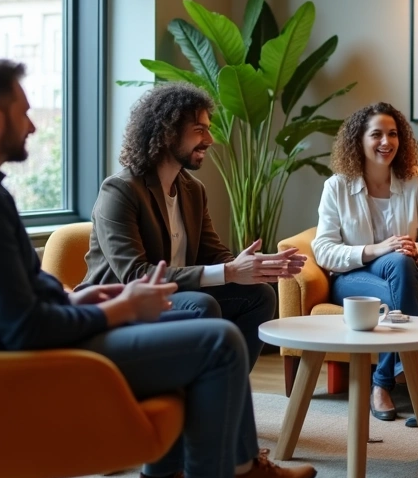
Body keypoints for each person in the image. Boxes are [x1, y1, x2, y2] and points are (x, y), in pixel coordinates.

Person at [0, 55, 316, 478]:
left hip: (19, 348)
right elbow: (25, 326)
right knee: (214, 338)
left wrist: (75, 300)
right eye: (25, 112)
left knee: (202, 319)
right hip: (17, 368)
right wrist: (114, 311)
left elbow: (16, 295)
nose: (34, 125)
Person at [80, 81, 305, 370]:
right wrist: (229, 271)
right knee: (202, 305)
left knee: (260, 294)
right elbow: (136, 274)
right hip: (122, 303)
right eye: (200, 129)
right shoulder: (121, 190)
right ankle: (202, 391)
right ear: (167, 132)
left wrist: (253, 266)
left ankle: (227, 392)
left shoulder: (193, 190)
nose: (210, 139)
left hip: (175, 297)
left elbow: (214, 254)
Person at [312, 101, 418, 422]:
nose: (386, 142)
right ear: (358, 140)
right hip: (356, 279)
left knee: (401, 264)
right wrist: (374, 250)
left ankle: (381, 383)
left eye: (393, 134)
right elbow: (323, 249)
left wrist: (417, 250)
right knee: (394, 273)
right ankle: (411, 374)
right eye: (376, 134)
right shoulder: (337, 187)